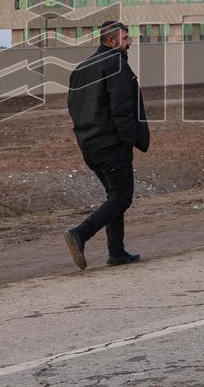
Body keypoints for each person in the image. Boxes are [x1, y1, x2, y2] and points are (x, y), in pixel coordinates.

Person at [64, 21, 150, 270]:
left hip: (89, 145)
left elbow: (74, 108)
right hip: (111, 144)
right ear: (111, 41)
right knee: (122, 197)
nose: (129, 42)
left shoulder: (81, 68)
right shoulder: (116, 64)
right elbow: (121, 106)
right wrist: (127, 140)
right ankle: (80, 234)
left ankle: (116, 252)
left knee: (114, 195)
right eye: (125, 38)